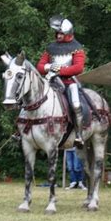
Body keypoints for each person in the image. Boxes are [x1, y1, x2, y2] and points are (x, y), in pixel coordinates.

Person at [36, 15, 86, 148]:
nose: (58, 36)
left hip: (69, 82)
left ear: (67, 33)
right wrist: (49, 67)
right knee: (31, 96)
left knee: (76, 106)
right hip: (50, 82)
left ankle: (79, 136)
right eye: (57, 33)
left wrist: (60, 71)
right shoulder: (51, 48)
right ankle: (20, 130)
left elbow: (78, 68)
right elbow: (40, 66)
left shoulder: (77, 48)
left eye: (61, 33)